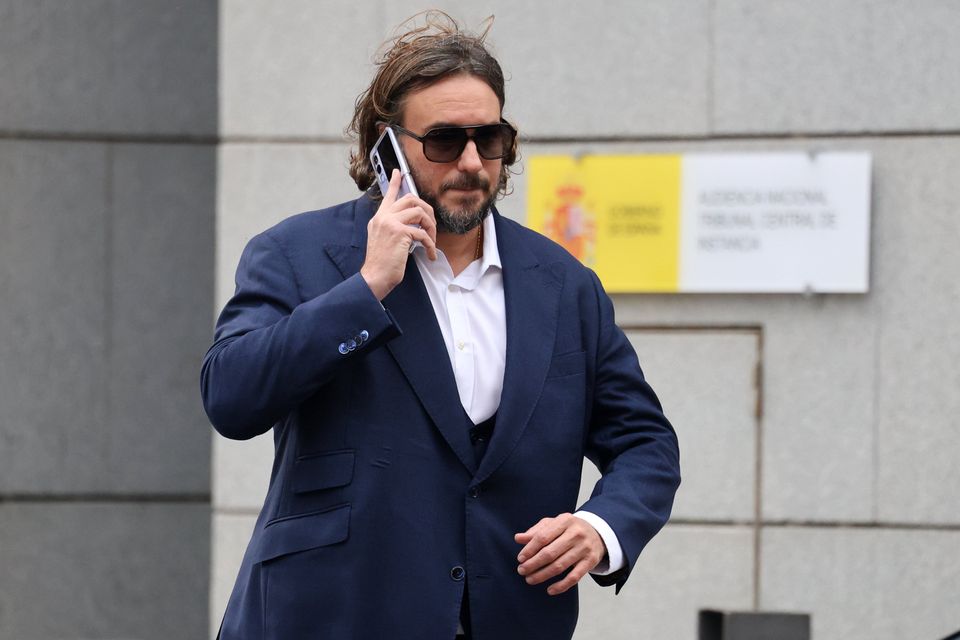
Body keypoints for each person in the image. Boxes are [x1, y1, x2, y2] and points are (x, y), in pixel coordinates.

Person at [202, 12, 680, 640]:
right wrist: (367, 287)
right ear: (387, 147)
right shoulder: (298, 253)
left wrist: (601, 528)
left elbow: (645, 442)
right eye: (446, 141)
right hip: (330, 615)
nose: (473, 162)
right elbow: (231, 399)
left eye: (491, 138)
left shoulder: (564, 286)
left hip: (510, 615)